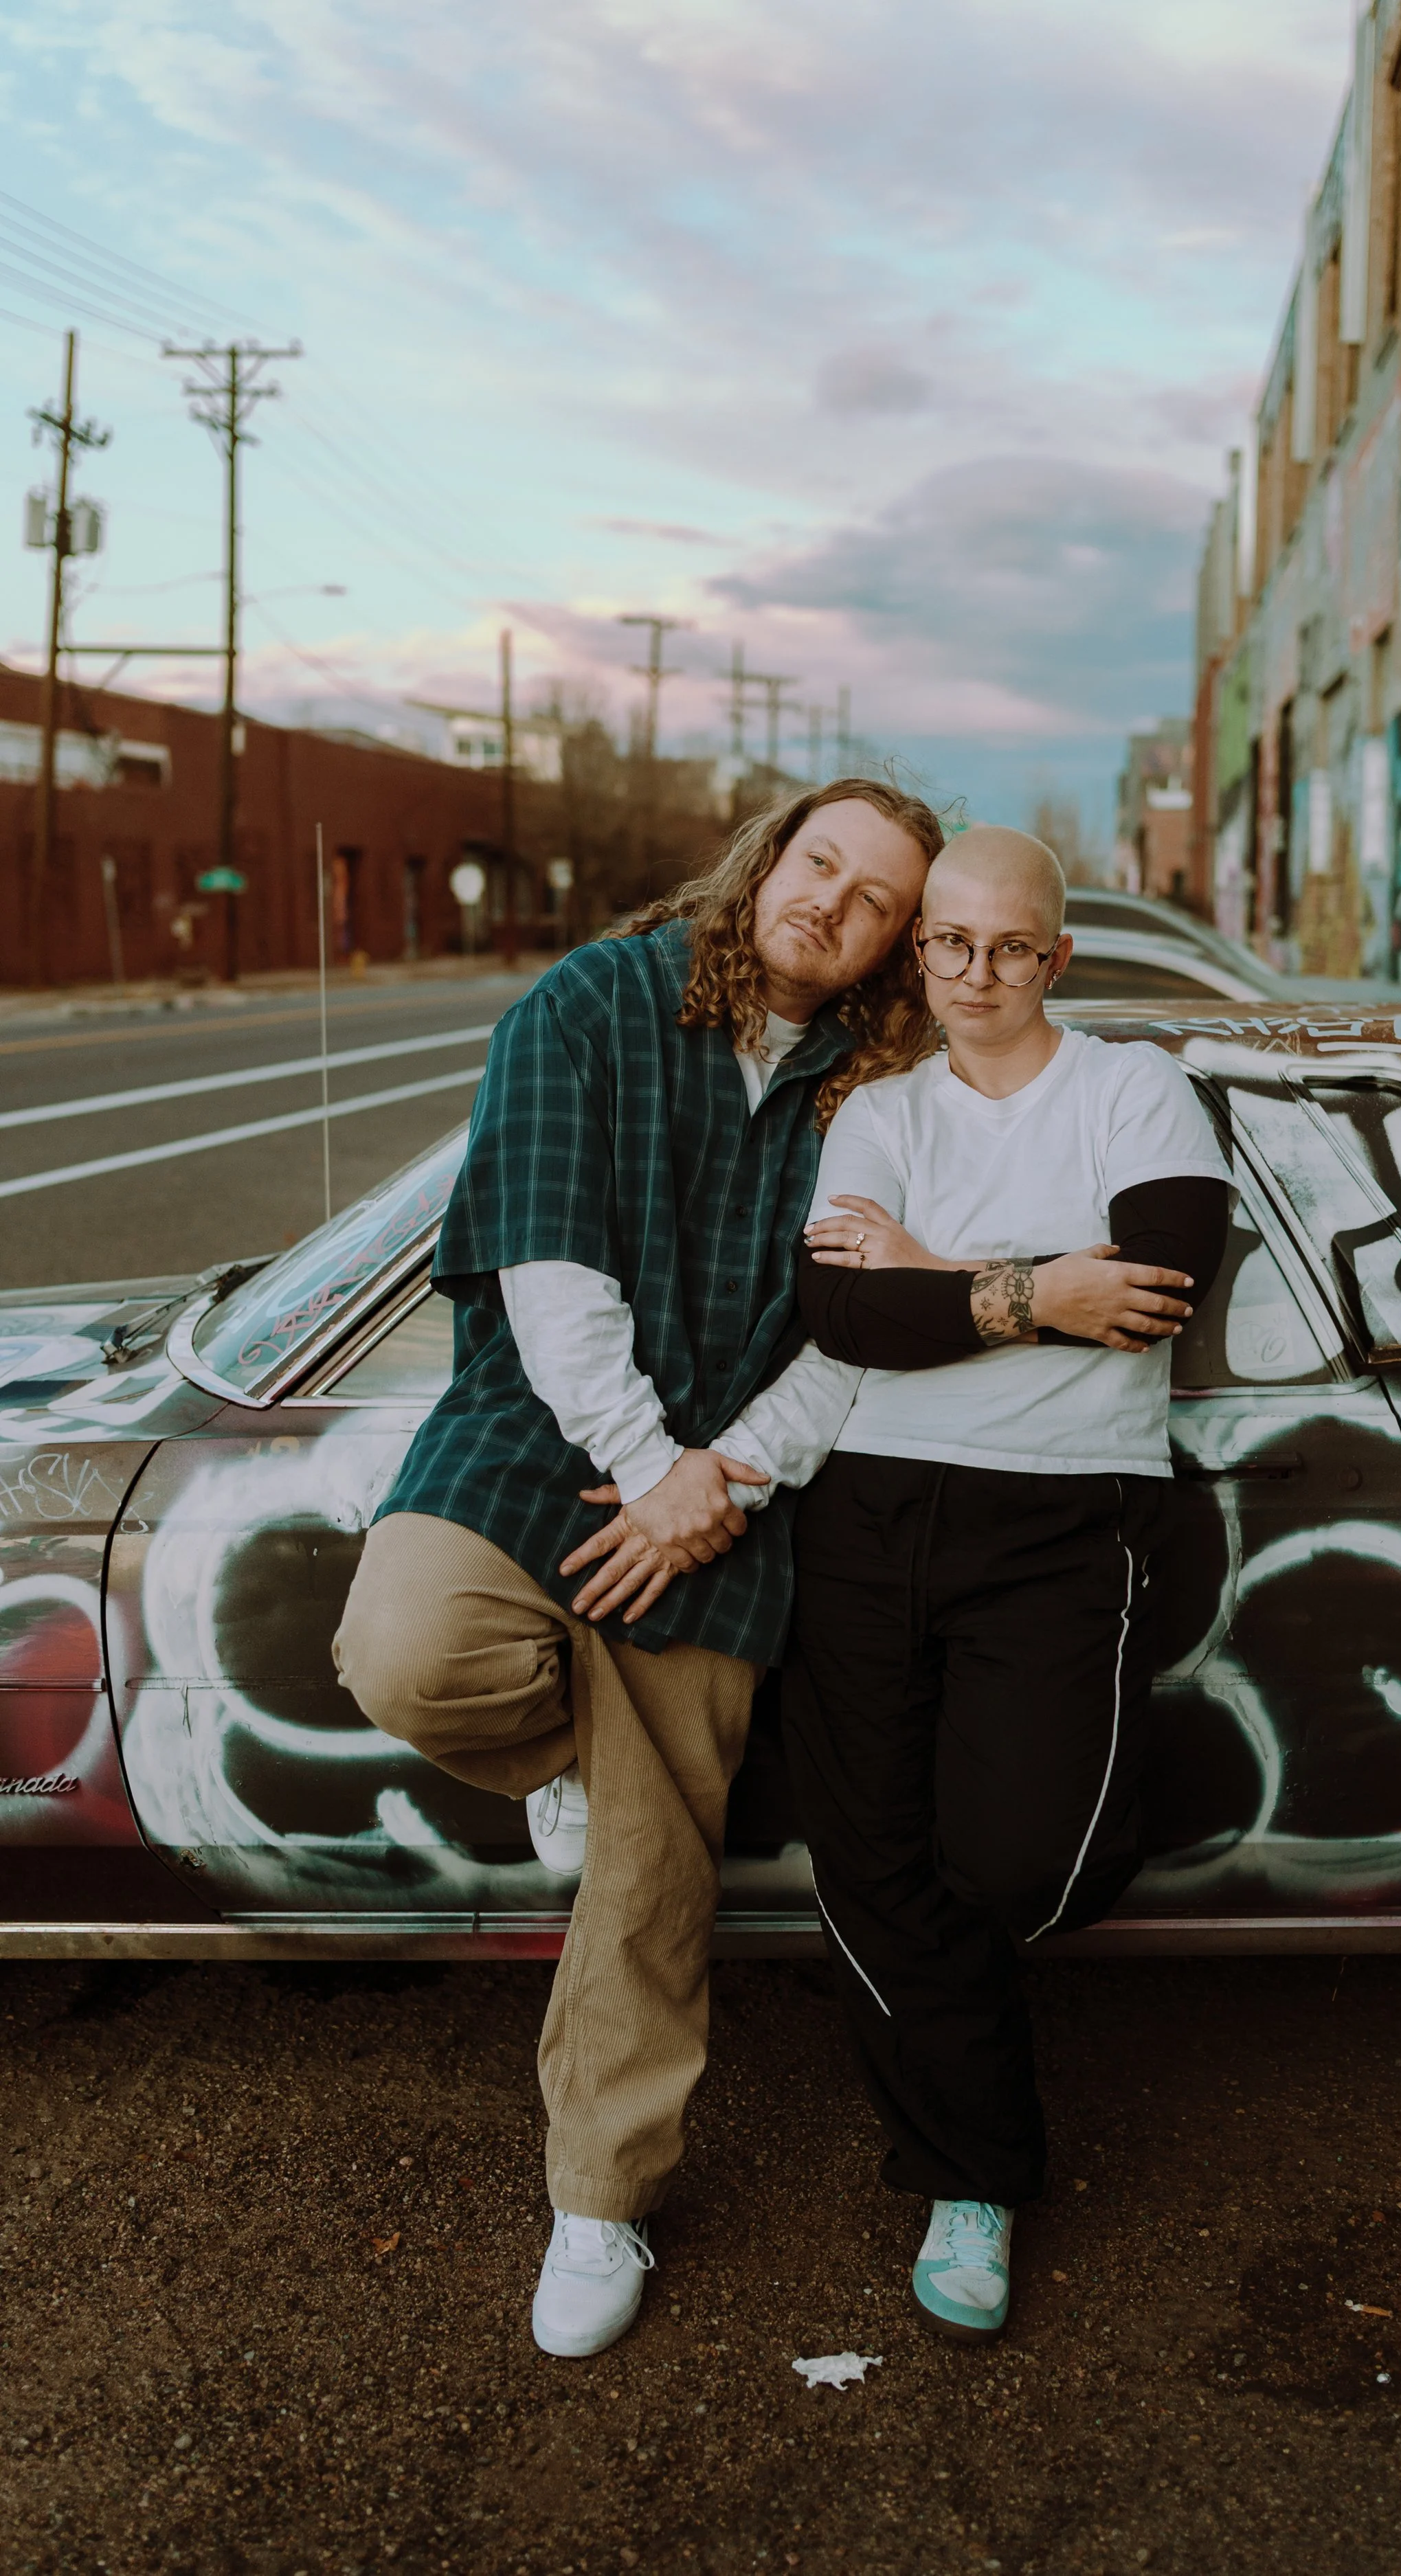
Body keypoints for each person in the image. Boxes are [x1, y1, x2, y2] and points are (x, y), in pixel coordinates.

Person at [331, 778, 943, 2359]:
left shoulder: (880, 1088)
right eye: (821, 862)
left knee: (652, 1876)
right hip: (540, 1430)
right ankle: (572, 1764)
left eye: (875, 897)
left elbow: (853, 1344)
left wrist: (718, 1480)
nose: (833, 902)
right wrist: (647, 1463)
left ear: (893, 941)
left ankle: (598, 2201)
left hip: (736, 1484)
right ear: (766, 859)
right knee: (405, 1653)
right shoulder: (593, 1000)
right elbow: (547, 1263)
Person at [783, 822, 1230, 2342]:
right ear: (920, 955)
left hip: (1059, 1516)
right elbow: (841, 1315)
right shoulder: (879, 1109)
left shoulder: (1130, 1089)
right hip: (864, 1513)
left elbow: (1161, 1279)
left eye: (1009, 948)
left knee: (1022, 1863)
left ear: (1057, 955)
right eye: (947, 946)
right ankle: (967, 2178)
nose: (976, 976)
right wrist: (1042, 1285)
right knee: (875, 1866)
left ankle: (973, 2083)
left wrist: (935, 1270)